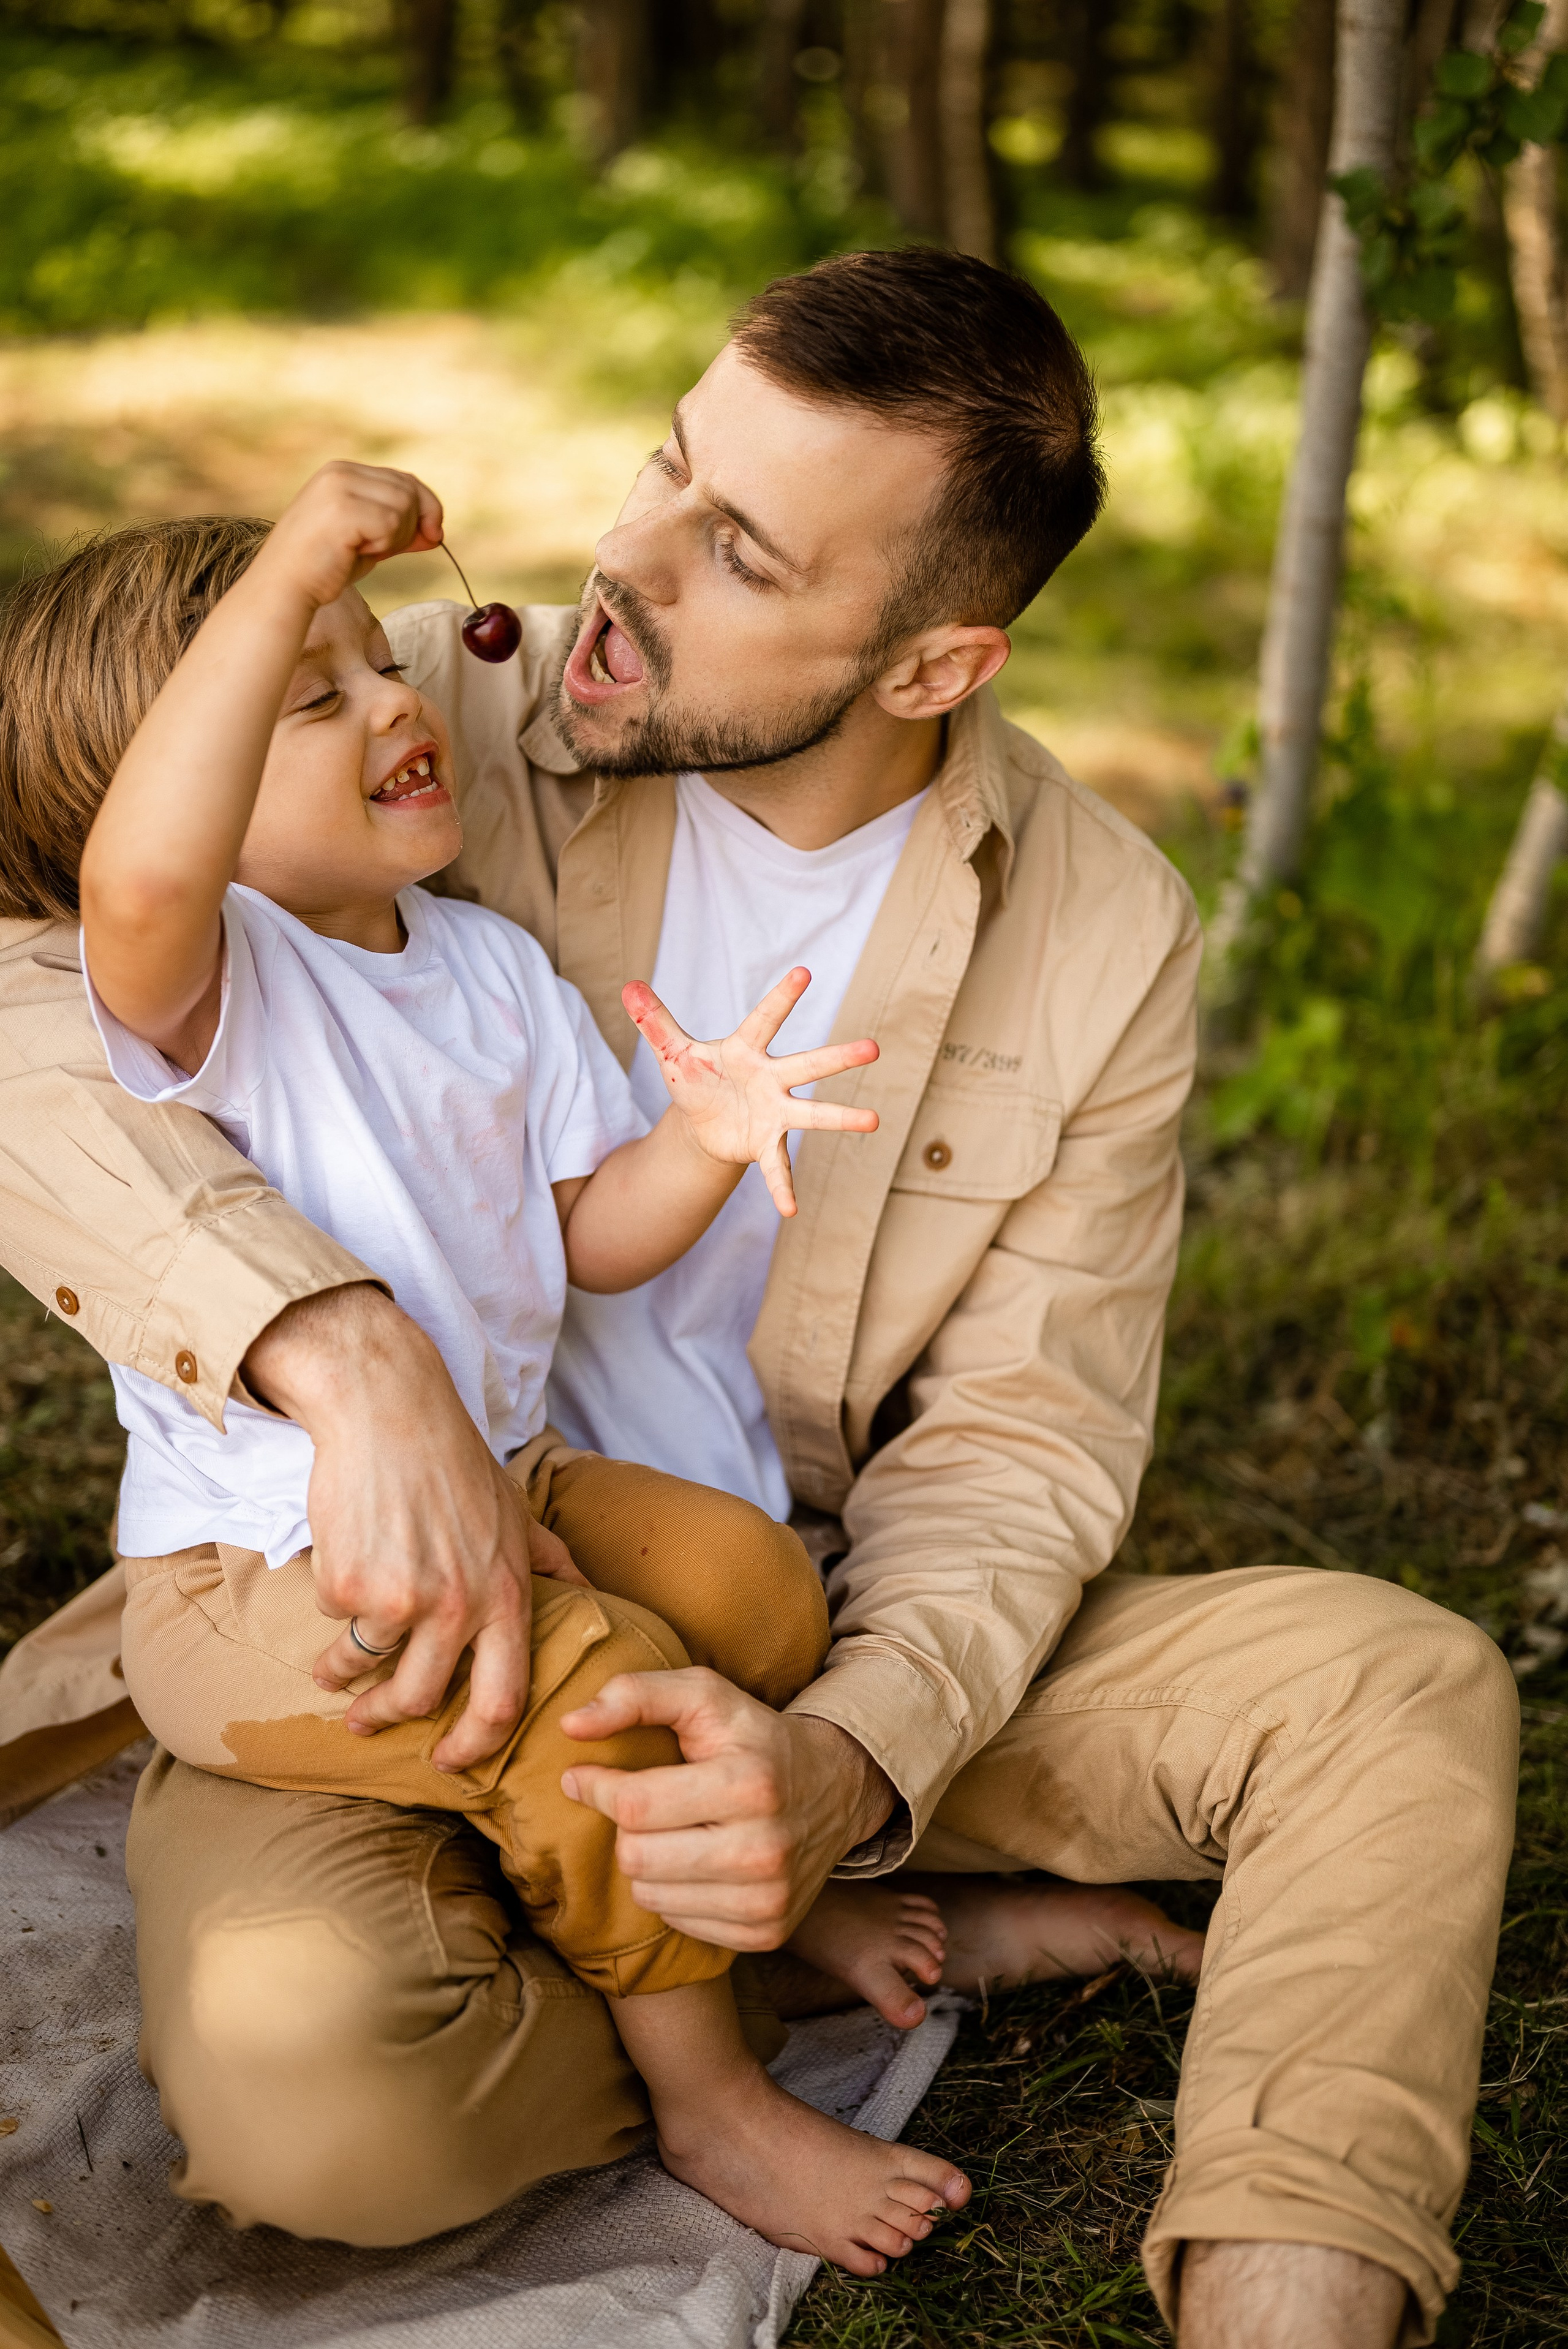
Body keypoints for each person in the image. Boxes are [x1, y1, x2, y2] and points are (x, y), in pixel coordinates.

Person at [0, 249, 1517, 2348]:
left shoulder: (1103, 931)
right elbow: (44, 996)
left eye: (734, 549)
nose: (620, 560)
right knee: (314, 2110)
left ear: (930, 661)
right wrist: (334, 1349)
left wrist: (838, 1761)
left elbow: (1023, 1442)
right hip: (378, 1642)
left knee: (1398, 1690)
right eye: (664, 463)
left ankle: (1266, 2285)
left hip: (791, 1618)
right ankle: (775, 1964)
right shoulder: (416, 706)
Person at [48, 458, 971, 2271]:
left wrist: (708, 1131)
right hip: (262, 1563)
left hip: (511, 1475)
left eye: (377, 662)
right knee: (609, 1677)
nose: (399, 699)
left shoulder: (485, 968)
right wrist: (299, 546)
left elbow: (587, 1228)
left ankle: (701, 1901)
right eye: (311, 697)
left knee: (754, 1587)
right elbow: (144, 858)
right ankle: (713, 2095)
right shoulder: (200, 980)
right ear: (201, 784)